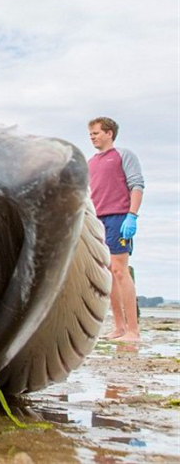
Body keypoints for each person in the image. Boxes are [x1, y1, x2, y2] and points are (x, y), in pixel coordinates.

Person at [88, 116, 144, 342]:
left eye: (96, 133)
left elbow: (137, 185)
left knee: (121, 271)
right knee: (108, 275)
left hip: (119, 218)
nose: (92, 137)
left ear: (109, 133)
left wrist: (132, 216)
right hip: (97, 220)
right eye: (90, 134)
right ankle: (119, 328)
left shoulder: (123, 155)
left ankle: (133, 330)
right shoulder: (90, 162)